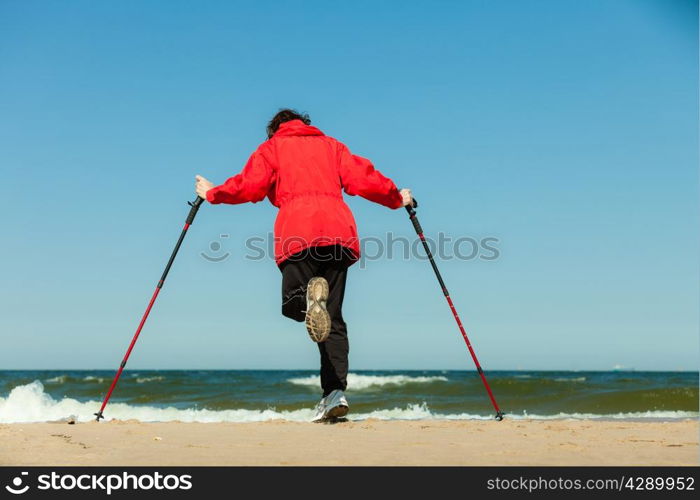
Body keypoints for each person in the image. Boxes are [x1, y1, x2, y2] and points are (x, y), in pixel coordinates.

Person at [195, 109, 412, 421]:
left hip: (298, 233)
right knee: (333, 319)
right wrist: (396, 198)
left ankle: (307, 301)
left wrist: (213, 193)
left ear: (274, 130)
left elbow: (251, 185)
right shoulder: (333, 146)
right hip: (339, 235)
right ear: (306, 126)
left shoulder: (272, 148)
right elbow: (364, 178)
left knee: (293, 304)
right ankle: (335, 394)